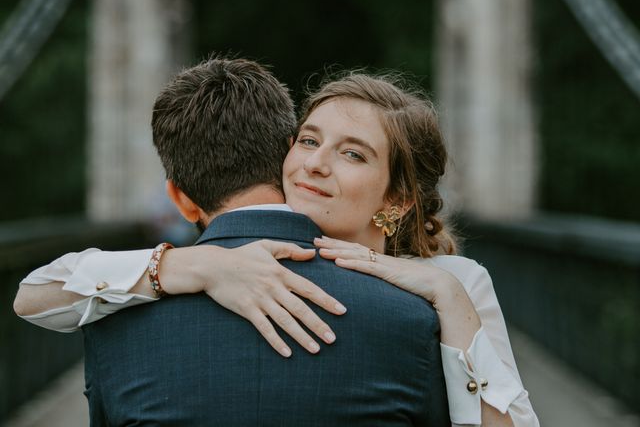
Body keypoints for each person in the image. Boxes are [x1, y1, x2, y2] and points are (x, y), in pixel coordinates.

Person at [14, 58, 539, 426]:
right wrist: (192, 267)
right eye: (309, 141)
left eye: (352, 154)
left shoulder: (454, 286)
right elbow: (32, 296)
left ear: (397, 199)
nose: (314, 162)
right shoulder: (235, 259)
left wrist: (448, 296)